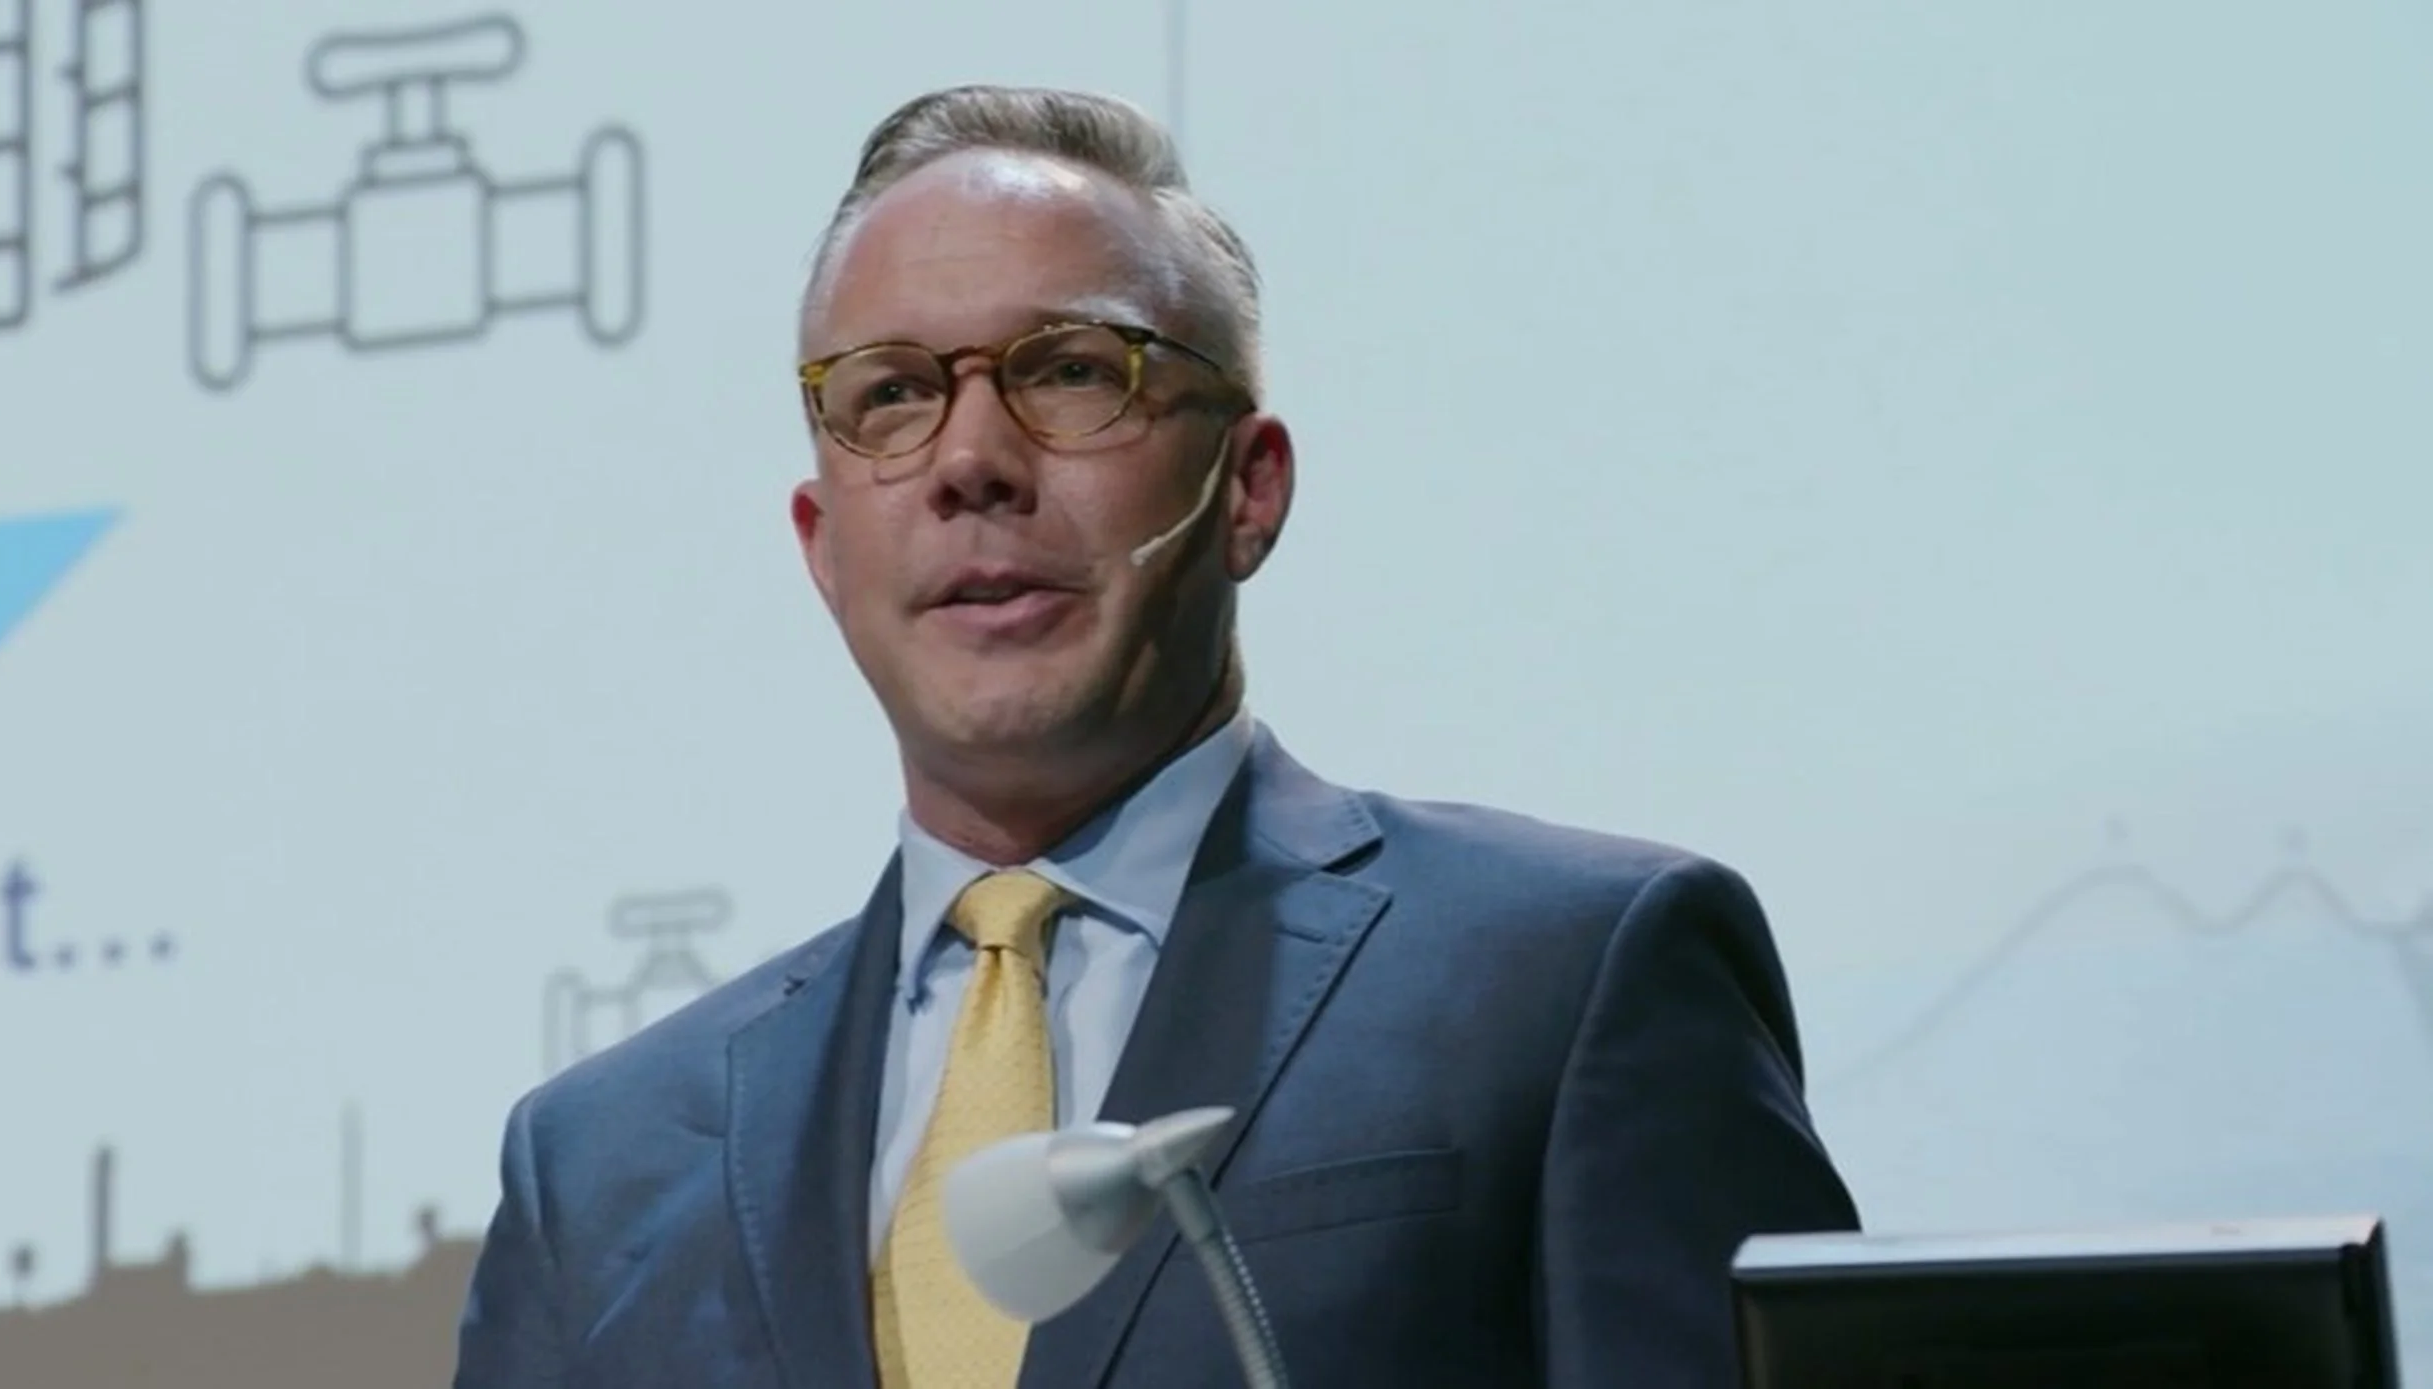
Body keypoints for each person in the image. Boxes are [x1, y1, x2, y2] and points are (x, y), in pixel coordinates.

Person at [452, 84, 1859, 1388]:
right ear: (823, 546)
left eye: (1072, 372)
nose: (970, 462)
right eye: (891, 395)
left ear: (1249, 489)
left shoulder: (1566, 978)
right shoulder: (597, 1166)